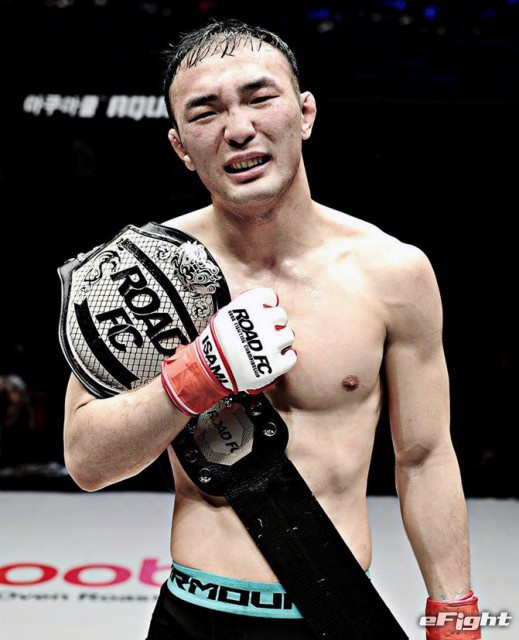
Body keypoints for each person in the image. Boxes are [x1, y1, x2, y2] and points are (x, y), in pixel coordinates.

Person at [62, 18, 481, 640]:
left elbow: (424, 457)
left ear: (305, 113)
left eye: (259, 98)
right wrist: (195, 377)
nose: (238, 129)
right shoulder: (135, 278)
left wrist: (456, 615)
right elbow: (86, 461)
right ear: (181, 147)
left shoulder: (393, 273)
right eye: (206, 112)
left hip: (334, 615)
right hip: (194, 619)